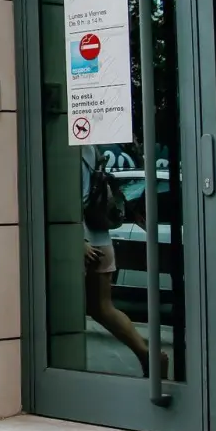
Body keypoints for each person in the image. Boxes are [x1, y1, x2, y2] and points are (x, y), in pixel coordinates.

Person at [80, 146, 163, 377]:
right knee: (103, 308)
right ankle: (147, 355)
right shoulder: (91, 148)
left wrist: (77, 239)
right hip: (101, 238)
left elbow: (75, 198)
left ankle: (148, 355)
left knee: (82, 308)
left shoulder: (72, 149)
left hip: (84, 242)